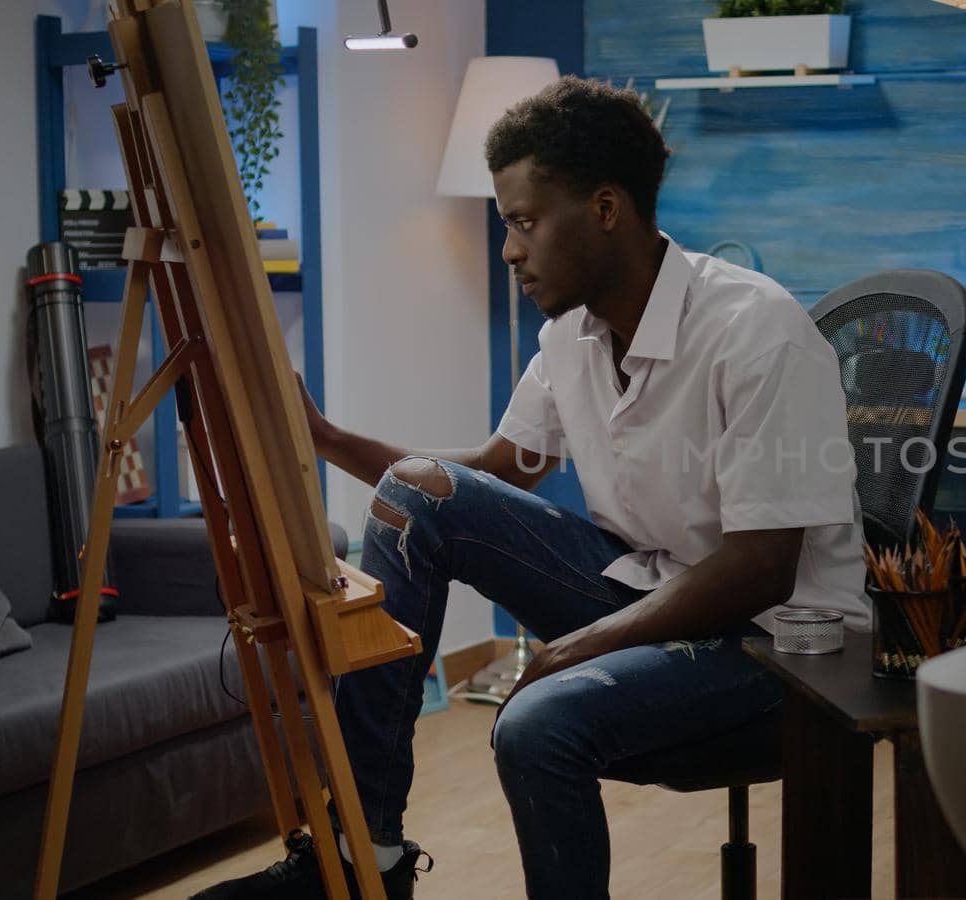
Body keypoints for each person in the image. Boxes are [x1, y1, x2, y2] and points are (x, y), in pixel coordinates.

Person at [192, 75, 868, 900]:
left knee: (536, 722)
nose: (509, 249)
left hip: (779, 644)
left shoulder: (755, 330)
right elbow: (486, 478)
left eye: (523, 222)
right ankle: (364, 852)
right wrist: (327, 440)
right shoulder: (569, 339)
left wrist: (575, 648)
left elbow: (763, 567)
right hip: (650, 590)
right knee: (418, 492)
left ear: (607, 208)